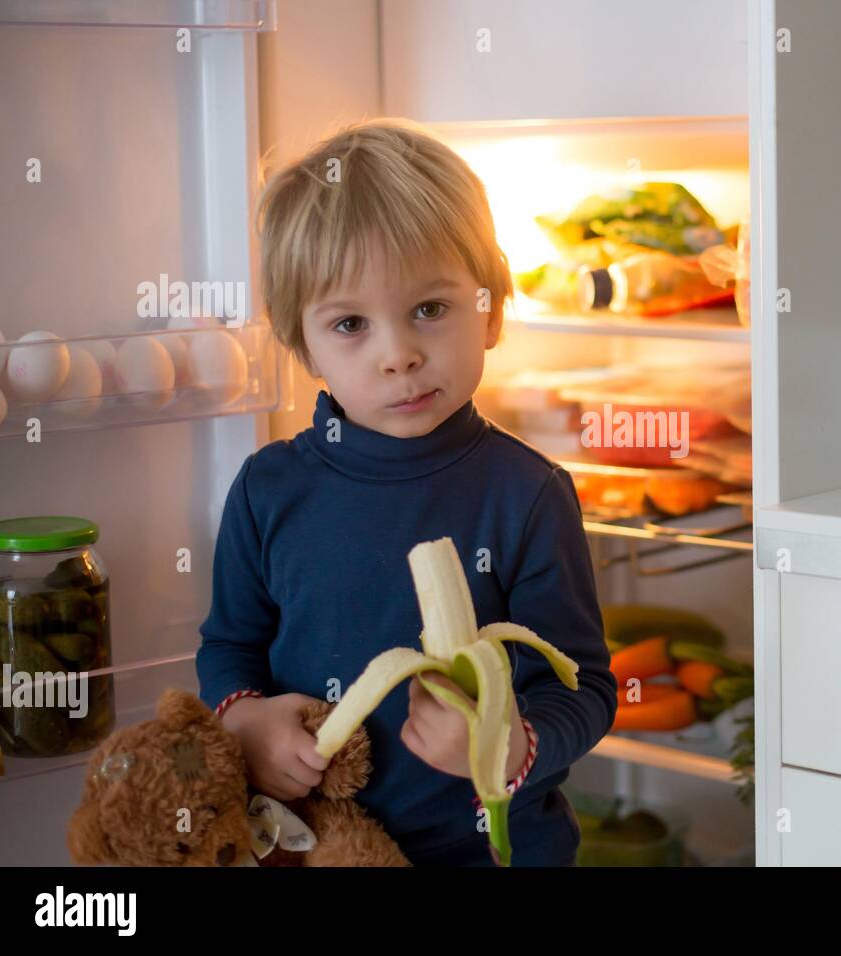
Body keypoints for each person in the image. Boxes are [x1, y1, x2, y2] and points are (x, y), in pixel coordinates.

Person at [196, 118, 617, 866]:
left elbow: (581, 686)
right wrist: (245, 723)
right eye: (351, 323)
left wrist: (510, 744)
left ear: (489, 310)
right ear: (303, 347)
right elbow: (230, 645)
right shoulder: (269, 490)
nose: (399, 356)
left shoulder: (528, 494)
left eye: (430, 308)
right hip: (313, 846)